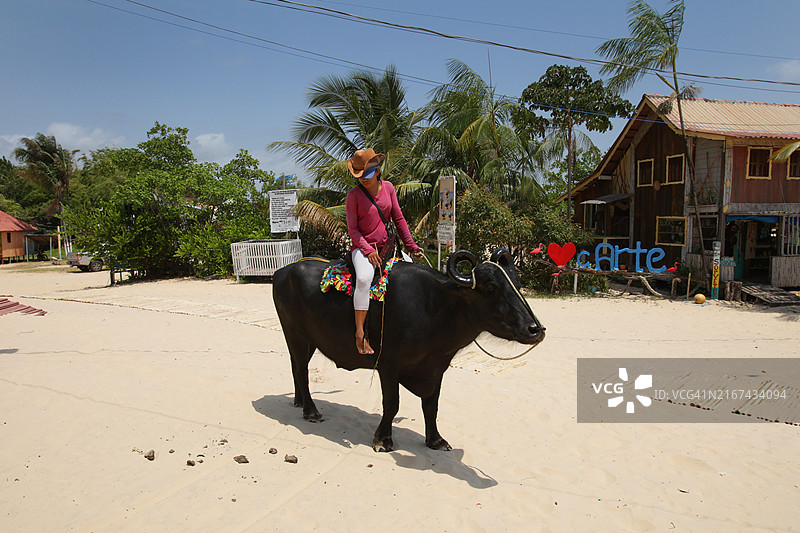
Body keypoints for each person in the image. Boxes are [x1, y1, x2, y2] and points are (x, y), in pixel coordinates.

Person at [345, 148, 425, 355]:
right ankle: (360, 334)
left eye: (367, 175)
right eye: (359, 175)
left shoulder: (388, 188)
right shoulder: (353, 196)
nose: (363, 179)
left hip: (388, 247)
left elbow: (398, 218)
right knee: (364, 278)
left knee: (412, 275)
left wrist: (411, 246)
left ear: (378, 171)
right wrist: (367, 250)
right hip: (363, 250)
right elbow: (353, 230)